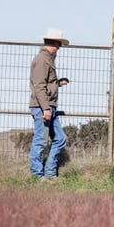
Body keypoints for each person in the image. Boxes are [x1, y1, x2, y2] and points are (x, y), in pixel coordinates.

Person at [29, 28, 70, 181]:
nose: (59, 48)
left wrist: (58, 84)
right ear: (52, 44)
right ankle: (37, 175)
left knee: (60, 139)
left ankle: (49, 173)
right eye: (58, 45)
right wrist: (46, 108)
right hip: (43, 107)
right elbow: (39, 86)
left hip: (48, 106)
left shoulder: (47, 60)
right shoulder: (42, 60)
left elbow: (45, 85)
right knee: (41, 140)